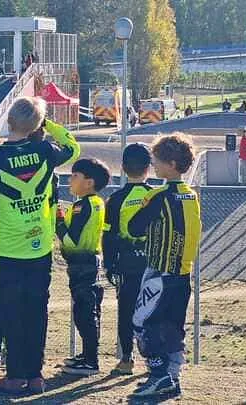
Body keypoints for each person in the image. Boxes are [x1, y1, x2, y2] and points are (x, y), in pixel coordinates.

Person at [0, 97, 80, 394]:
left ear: (9, 122)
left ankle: (15, 375)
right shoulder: (46, 149)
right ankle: (36, 376)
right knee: (37, 311)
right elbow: (73, 147)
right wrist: (49, 125)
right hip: (40, 247)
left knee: (11, 312)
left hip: (8, 247)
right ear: (38, 125)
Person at [127, 134, 201, 398]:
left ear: (170, 163)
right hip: (183, 273)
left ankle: (158, 375)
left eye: (157, 160)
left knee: (142, 322)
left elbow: (133, 227)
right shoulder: (191, 195)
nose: (153, 165)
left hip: (160, 271)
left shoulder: (158, 196)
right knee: (172, 326)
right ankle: (172, 376)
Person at [103, 143, 154, 375]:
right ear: (149, 168)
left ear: (123, 168)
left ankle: (126, 359)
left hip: (126, 263)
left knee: (126, 310)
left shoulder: (116, 199)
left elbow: (109, 234)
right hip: (153, 262)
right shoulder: (156, 195)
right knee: (153, 310)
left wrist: (109, 263)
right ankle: (154, 358)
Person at [57, 158, 111, 376]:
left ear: (89, 182)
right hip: (91, 262)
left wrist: (58, 223)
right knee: (89, 311)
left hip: (83, 265)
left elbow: (72, 240)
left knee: (84, 313)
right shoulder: (97, 202)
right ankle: (88, 356)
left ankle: (90, 360)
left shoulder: (83, 205)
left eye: (75, 176)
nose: (70, 180)